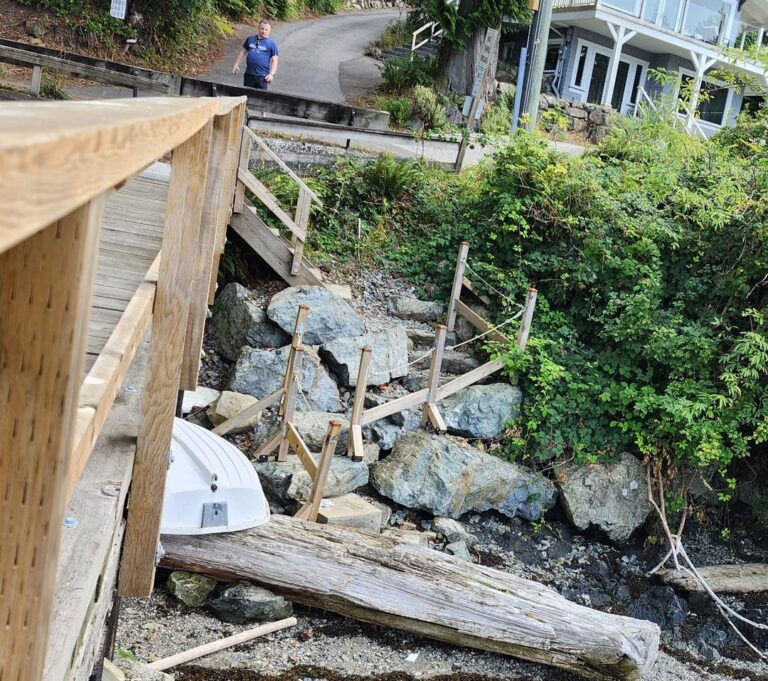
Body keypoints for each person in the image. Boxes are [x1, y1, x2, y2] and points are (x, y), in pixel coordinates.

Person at [232, 19, 279, 90]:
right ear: (258, 28)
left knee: (261, 99)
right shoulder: (250, 39)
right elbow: (243, 52)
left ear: (269, 31)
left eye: (266, 30)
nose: (263, 31)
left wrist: (271, 74)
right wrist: (236, 64)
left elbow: (274, 60)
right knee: (247, 97)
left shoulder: (272, 44)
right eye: (262, 29)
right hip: (249, 75)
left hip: (263, 77)